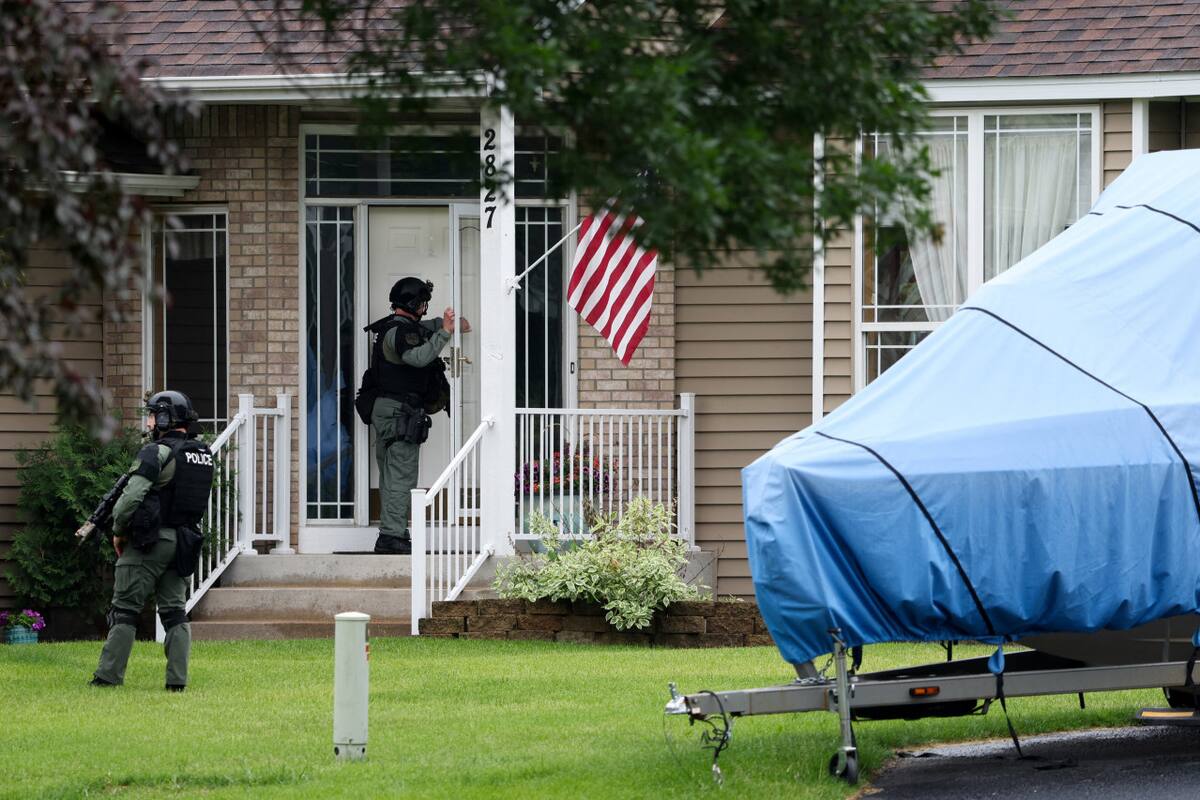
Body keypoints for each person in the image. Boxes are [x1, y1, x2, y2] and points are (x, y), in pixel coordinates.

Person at [90, 390, 213, 691]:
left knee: (124, 610)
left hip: (150, 541)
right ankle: (177, 683)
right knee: (174, 612)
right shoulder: (202, 454)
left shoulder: (156, 452)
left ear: (164, 417)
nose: (148, 421)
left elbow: (128, 500)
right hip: (184, 542)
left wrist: (119, 531)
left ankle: (107, 678)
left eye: (151, 414)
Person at [366, 277, 470, 555]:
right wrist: (445, 334)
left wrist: (447, 324)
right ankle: (393, 536)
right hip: (400, 412)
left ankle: (390, 531)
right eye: (423, 303)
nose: (425, 308)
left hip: (387, 409)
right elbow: (418, 357)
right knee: (401, 475)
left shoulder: (394, 327)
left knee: (390, 474)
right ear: (414, 303)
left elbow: (423, 328)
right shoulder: (400, 333)